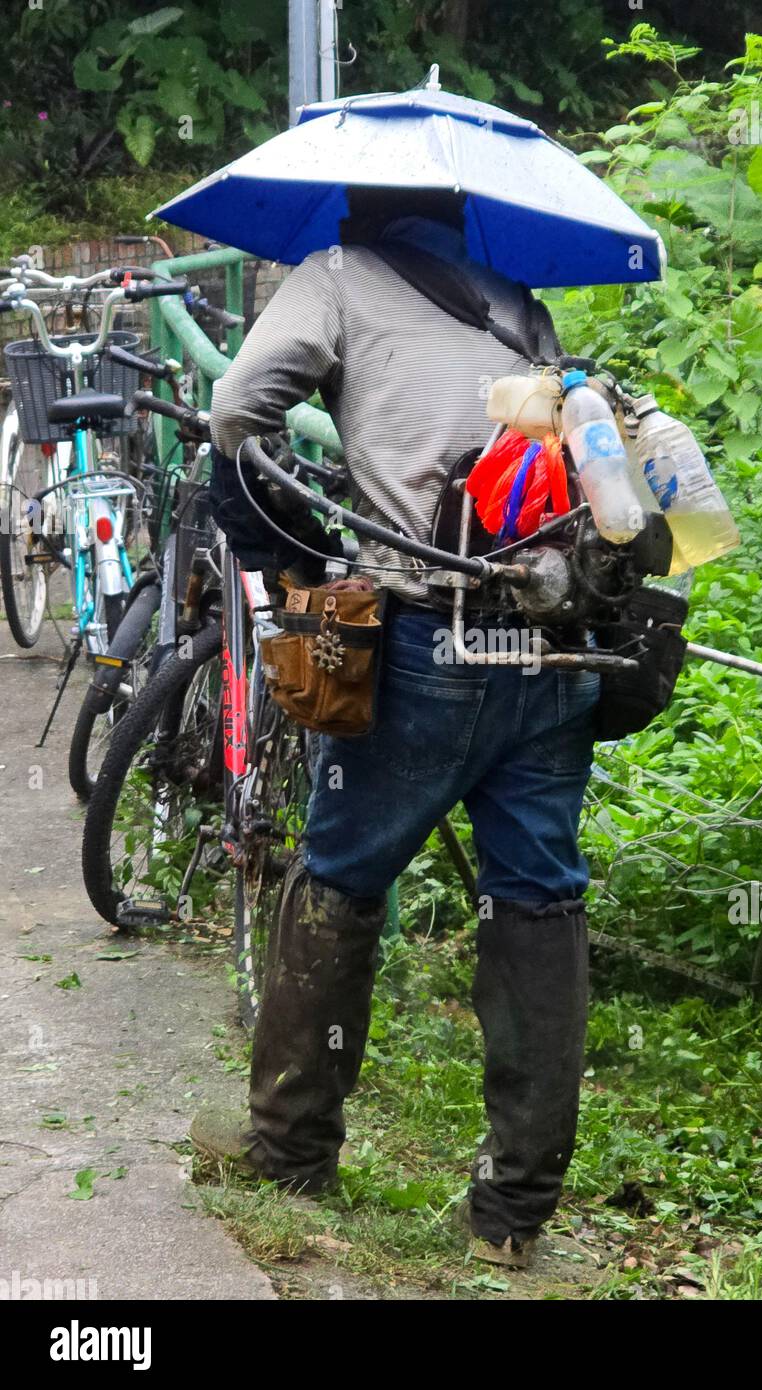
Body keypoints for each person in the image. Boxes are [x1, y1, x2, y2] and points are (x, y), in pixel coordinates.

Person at [190, 189, 598, 1269]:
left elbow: (237, 414)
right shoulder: (517, 306)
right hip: (557, 651)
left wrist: (310, 538)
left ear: (357, 201)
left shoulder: (333, 276)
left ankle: (290, 1153)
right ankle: (512, 1216)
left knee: (339, 875)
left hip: (425, 648)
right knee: (539, 898)